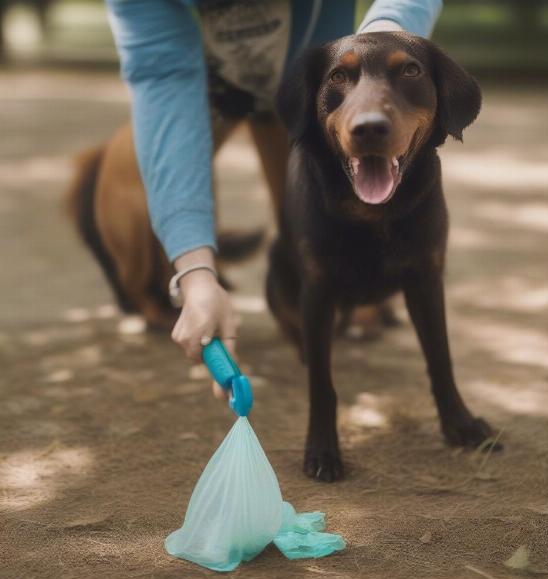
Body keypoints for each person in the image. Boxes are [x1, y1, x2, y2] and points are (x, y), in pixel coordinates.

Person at [105, 0, 442, 376]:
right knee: (137, 160)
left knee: (334, 175)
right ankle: (150, 284)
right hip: (209, 75)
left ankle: (358, 289)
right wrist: (195, 275)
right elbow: (163, 82)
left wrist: (380, 37)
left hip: (312, 51)